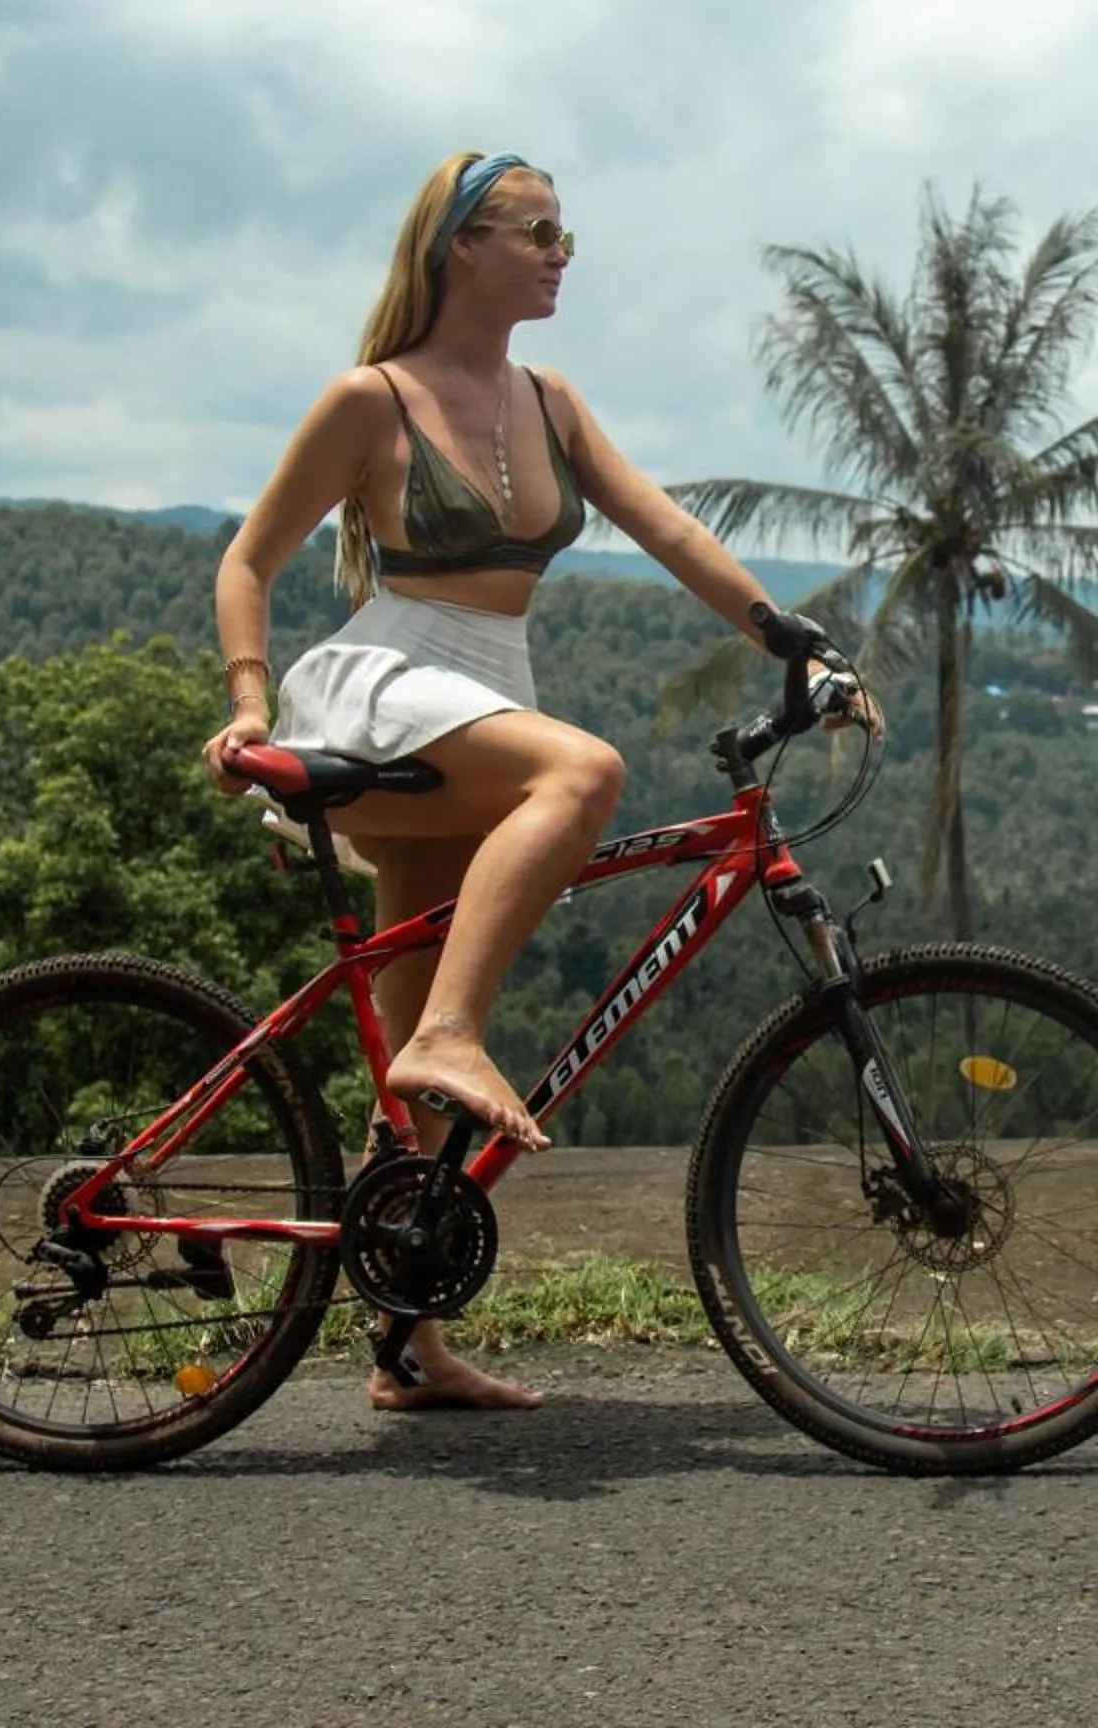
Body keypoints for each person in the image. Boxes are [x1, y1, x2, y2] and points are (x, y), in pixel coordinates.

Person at [202, 150, 824, 1413]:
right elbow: (248, 560)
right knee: (585, 771)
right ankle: (449, 1037)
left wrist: (792, 638)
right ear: (459, 246)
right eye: (537, 231)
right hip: (388, 680)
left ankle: (405, 1345)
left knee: (415, 1091)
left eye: (564, 236)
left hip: (484, 694)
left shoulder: (551, 400)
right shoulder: (369, 399)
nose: (558, 253)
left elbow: (667, 527)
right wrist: (250, 698)